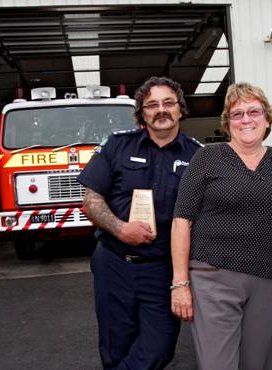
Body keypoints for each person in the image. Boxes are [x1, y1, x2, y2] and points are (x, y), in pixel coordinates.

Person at [170, 82, 272, 370]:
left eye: (253, 111)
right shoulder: (207, 158)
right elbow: (181, 220)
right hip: (213, 277)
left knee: (258, 364)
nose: (246, 119)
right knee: (218, 365)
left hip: (266, 279)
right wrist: (180, 283)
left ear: (267, 118)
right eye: (237, 114)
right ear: (228, 123)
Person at [78, 76, 201, 370]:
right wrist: (121, 229)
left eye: (168, 103)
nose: (161, 110)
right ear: (142, 113)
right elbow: (91, 200)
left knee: (159, 347)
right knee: (115, 347)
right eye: (152, 105)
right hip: (114, 264)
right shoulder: (117, 145)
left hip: (163, 268)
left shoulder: (198, 156)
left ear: (180, 109)